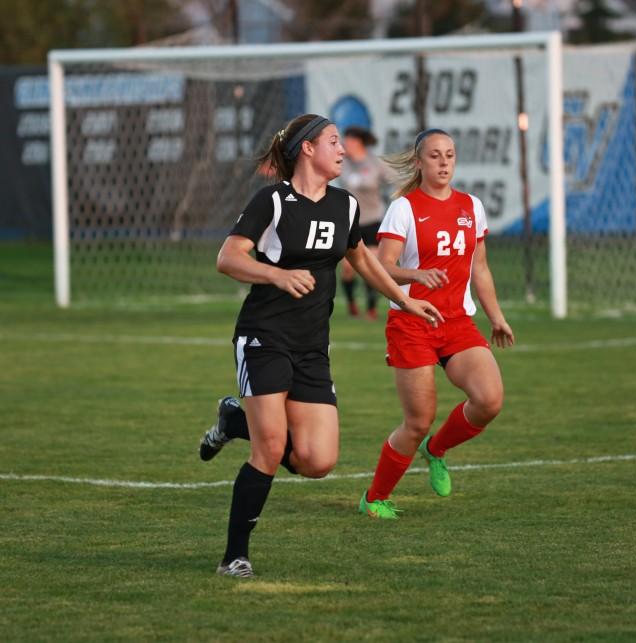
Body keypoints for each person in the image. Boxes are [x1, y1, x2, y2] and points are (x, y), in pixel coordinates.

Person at [205, 114, 442, 578]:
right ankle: (234, 556)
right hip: (264, 338)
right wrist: (276, 273)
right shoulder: (272, 200)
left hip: (313, 346)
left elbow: (365, 261)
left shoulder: (345, 205)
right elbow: (228, 257)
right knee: (271, 449)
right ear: (307, 149)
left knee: (318, 460)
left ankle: (235, 419)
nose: (341, 149)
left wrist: (404, 299)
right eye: (333, 141)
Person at [358, 128, 515, 519]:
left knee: (489, 399)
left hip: (457, 322)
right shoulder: (404, 207)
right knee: (417, 421)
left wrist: (496, 317)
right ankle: (374, 498)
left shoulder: (471, 206)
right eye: (434, 156)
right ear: (419, 162)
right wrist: (415, 275)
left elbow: (479, 267)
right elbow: (383, 268)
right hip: (411, 322)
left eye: (449, 155)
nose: (444, 162)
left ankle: (437, 450)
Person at [336, 126, 396, 320]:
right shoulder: (342, 163)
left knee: (371, 264)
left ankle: (371, 308)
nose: (345, 146)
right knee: (347, 268)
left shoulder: (375, 163)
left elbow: (394, 181)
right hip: (350, 221)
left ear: (359, 143)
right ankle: (352, 302)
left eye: (349, 142)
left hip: (372, 220)